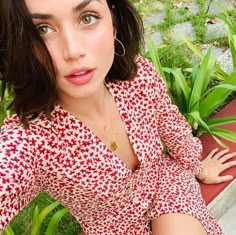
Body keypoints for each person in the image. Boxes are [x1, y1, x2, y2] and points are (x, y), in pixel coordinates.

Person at [1, 0, 236, 234]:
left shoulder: (136, 77)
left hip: (165, 185)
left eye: (87, 18)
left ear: (113, 23)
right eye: (42, 29)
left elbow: (170, 123)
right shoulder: (30, 143)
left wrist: (196, 166)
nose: (73, 50)